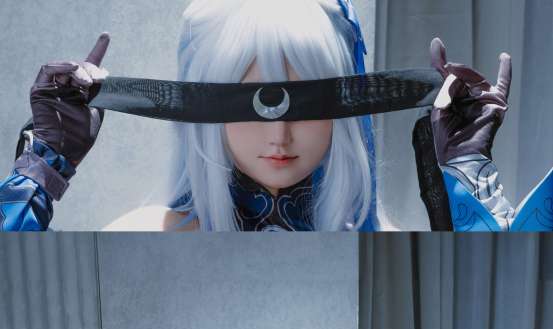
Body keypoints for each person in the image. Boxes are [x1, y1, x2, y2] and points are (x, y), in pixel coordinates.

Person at [2, 0, 550, 232]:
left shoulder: (384, 240)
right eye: (249, 104)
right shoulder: (143, 233)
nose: (279, 133)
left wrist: (469, 177)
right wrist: (42, 168)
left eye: (306, 104)